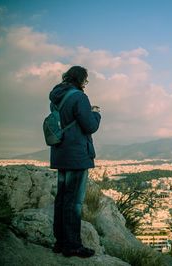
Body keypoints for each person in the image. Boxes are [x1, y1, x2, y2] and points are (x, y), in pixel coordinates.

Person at [49, 66, 101, 258]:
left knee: (62, 199)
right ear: (80, 80)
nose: (85, 84)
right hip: (76, 156)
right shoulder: (79, 97)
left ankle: (60, 241)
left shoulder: (56, 97)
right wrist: (95, 112)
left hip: (60, 154)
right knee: (74, 202)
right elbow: (90, 125)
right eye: (85, 81)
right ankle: (72, 245)